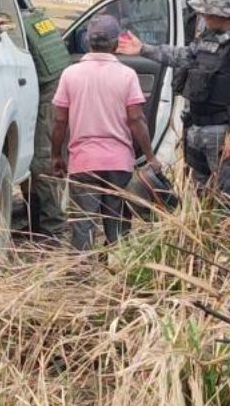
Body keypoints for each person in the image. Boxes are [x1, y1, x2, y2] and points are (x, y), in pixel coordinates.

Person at [117, 0, 230, 210]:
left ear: (221, 13)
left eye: (206, 12)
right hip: (196, 130)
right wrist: (144, 50)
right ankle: (204, 242)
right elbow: (184, 56)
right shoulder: (208, 36)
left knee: (229, 202)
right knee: (201, 197)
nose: (201, 16)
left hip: (223, 133)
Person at [50, 15, 160, 250]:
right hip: (119, 164)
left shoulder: (70, 74)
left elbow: (59, 121)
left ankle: (80, 276)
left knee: (82, 225)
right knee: (117, 224)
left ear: (87, 41)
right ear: (115, 43)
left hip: (83, 163)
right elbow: (136, 119)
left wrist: (56, 156)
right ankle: (117, 271)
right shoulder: (127, 75)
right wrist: (149, 156)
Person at [19, 4, 72, 242]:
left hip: (48, 94)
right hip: (44, 90)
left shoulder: (14, 26)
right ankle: (34, 224)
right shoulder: (33, 18)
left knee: (42, 163)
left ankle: (52, 231)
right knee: (33, 161)